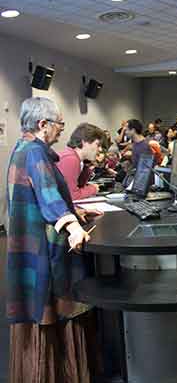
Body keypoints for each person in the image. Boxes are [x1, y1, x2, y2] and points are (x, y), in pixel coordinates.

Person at [7, 97, 102, 383]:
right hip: (45, 252)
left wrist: (77, 210)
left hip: (29, 248)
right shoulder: (36, 153)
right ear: (42, 124)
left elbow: (41, 196)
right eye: (59, 123)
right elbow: (49, 197)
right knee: (55, 309)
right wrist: (72, 225)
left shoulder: (21, 147)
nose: (62, 129)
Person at [56, 123, 106, 201]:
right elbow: (71, 196)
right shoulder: (70, 159)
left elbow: (79, 186)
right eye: (97, 145)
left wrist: (87, 165)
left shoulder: (74, 157)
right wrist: (93, 189)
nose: (100, 150)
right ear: (84, 142)